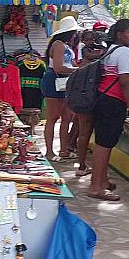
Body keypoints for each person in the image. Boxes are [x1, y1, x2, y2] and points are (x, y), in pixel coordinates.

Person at [87, 19, 129, 201]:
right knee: (104, 146)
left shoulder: (112, 50)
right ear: (120, 34)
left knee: (103, 144)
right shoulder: (124, 52)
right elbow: (125, 82)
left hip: (104, 99)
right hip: (113, 102)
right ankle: (96, 187)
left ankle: (102, 181)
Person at [40, 16, 81, 161]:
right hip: (54, 82)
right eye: (75, 32)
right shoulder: (58, 45)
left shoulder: (67, 46)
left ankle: (64, 150)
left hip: (65, 83)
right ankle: (49, 152)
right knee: (52, 118)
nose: (76, 35)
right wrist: (77, 70)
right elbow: (58, 67)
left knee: (66, 118)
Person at [66, 30, 105, 174]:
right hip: (87, 96)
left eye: (92, 39)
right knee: (83, 130)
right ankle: (82, 165)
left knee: (82, 130)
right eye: (87, 39)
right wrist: (103, 51)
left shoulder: (92, 53)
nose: (90, 42)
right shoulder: (87, 52)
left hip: (85, 96)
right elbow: (92, 55)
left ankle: (81, 162)